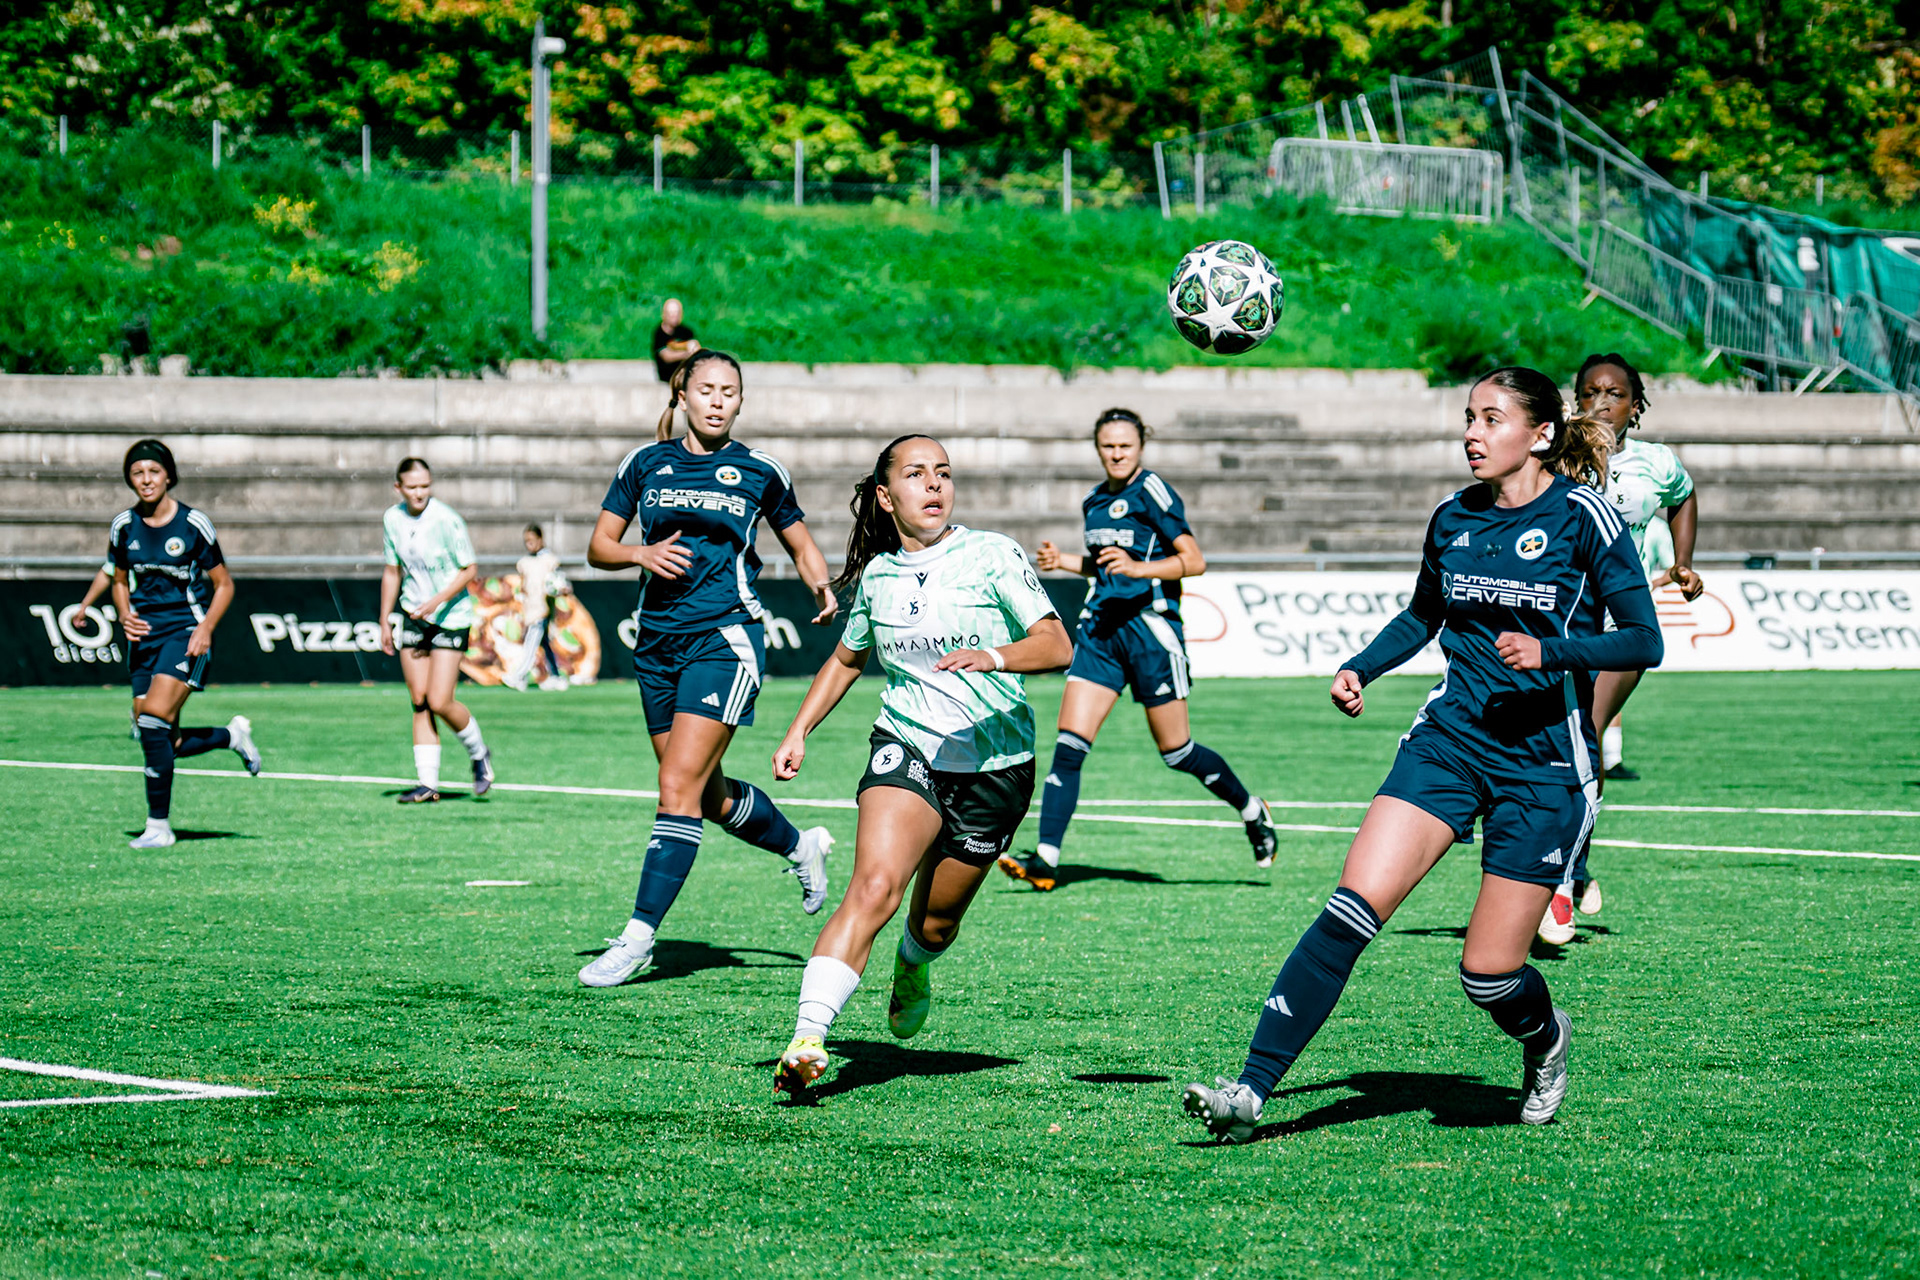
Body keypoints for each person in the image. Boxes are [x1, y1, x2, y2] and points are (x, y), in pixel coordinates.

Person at [1180, 367, 1662, 1141]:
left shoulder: (1584, 519)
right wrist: (1360, 667)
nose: (1472, 432)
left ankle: (1546, 1039)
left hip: (1541, 768)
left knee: (1489, 976)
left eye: (1491, 419)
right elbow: (1423, 615)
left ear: (1540, 435)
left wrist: (1554, 654)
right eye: (1468, 417)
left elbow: (1645, 638)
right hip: (1447, 743)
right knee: (1347, 911)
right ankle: (1251, 1091)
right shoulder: (1452, 518)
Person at [770, 434, 1073, 1095]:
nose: (934, 485)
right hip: (906, 746)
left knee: (935, 921)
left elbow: (1055, 643)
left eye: (943, 473)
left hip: (997, 764)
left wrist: (993, 656)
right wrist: (799, 729)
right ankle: (807, 1037)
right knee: (873, 889)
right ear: (886, 496)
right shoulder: (878, 575)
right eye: (916, 474)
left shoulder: (992, 554)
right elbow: (849, 657)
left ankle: (913, 962)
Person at [577, 350, 840, 988]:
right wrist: (640, 552)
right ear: (684, 395)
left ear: (740, 402)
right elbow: (599, 547)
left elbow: (799, 541)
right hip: (656, 644)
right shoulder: (644, 464)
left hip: (725, 639)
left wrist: (821, 587)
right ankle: (799, 845)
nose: (719, 400)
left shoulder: (758, 470)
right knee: (707, 793)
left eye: (731, 391)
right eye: (708, 389)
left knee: (676, 786)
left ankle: (637, 937)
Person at [998, 407, 1276, 892]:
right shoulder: (1093, 501)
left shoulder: (1153, 491)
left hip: (1151, 634)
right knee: (1068, 747)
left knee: (1177, 752)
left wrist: (1140, 569)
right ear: (1097, 448)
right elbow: (1107, 566)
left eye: (1125, 445)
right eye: (1108, 446)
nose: (1117, 453)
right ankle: (1046, 859)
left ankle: (1252, 809)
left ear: (1140, 446)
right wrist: (1064, 561)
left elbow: (1194, 561)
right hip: (1102, 633)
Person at [1537, 353, 1704, 943]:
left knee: (1585, 734)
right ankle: (1573, 863)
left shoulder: (1656, 463)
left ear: (1637, 404)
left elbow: (1684, 498)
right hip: (1563, 620)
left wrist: (1682, 564)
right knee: (1559, 743)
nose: (1600, 402)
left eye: (1614, 393)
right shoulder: (1555, 454)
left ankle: (1559, 882)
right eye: (1589, 392)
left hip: (1621, 622)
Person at [109, 439, 261, 849]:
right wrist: (124, 613)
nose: (146, 480)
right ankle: (231, 737)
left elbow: (224, 584)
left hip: (186, 632)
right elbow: (119, 581)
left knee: (153, 719)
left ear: (169, 476)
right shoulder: (124, 525)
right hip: (144, 639)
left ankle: (159, 827)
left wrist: (206, 627)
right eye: (138, 472)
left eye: (153, 472)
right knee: (156, 736)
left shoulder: (193, 524)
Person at [378, 458, 494, 804]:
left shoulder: (446, 519)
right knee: (418, 700)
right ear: (398, 488)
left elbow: (469, 568)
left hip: (450, 616)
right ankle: (428, 784)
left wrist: (435, 601)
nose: (420, 493)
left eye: (425, 486)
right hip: (413, 614)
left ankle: (479, 753)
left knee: (440, 700)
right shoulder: (392, 519)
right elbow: (391, 570)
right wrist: (385, 617)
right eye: (412, 487)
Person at [504, 523, 568, 692]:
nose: (529, 544)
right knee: (544, 643)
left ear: (540, 540)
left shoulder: (550, 561)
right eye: (526, 541)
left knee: (531, 643)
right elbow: (524, 585)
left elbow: (559, 582)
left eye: (532, 540)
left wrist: (561, 589)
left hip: (543, 609)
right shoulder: (524, 562)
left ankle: (518, 676)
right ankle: (556, 677)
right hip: (530, 609)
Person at [651, 298, 699, 383]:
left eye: (677, 313)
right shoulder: (659, 333)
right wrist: (686, 354)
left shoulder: (686, 332)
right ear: (664, 314)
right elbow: (666, 356)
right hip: (667, 377)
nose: (674, 316)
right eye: (671, 313)